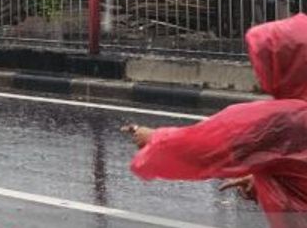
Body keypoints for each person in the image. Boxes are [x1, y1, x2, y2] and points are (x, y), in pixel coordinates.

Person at [125, 13, 307, 227]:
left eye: (268, 63)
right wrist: (263, 182)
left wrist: (154, 138)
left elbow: (207, 145)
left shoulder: (288, 119)